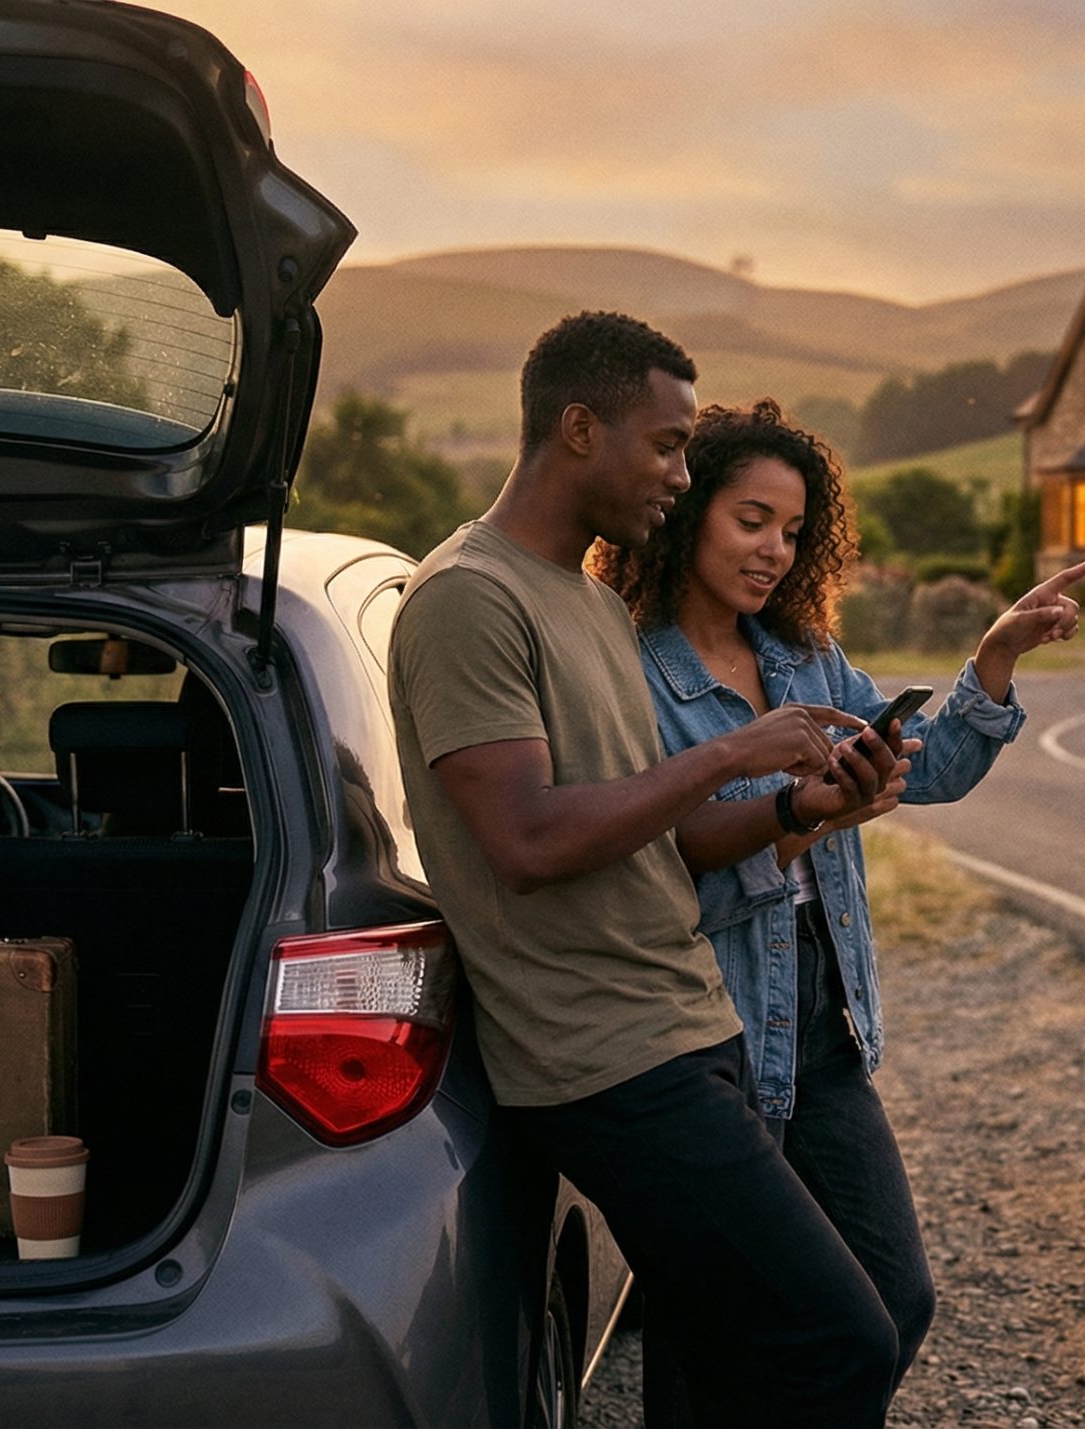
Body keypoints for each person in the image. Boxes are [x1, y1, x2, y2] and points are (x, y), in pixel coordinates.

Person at [387, 313, 914, 1428]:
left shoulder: (583, 602)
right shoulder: (466, 597)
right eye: (666, 444)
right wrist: (729, 750)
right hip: (605, 1060)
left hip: (688, 1021)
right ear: (578, 428)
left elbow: (660, 834)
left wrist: (789, 805)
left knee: (723, 1361)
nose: (681, 474)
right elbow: (526, 842)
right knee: (841, 1342)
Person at [590, 398, 1085, 1396]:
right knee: (712, 1325)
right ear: (688, 511)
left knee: (892, 1298)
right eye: (751, 520)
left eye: (792, 530)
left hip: (825, 1038)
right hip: (709, 1043)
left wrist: (994, 654)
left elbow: (934, 765)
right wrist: (801, 815)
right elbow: (659, 862)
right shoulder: (627, 671)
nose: (775, 549)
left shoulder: (804, 658)